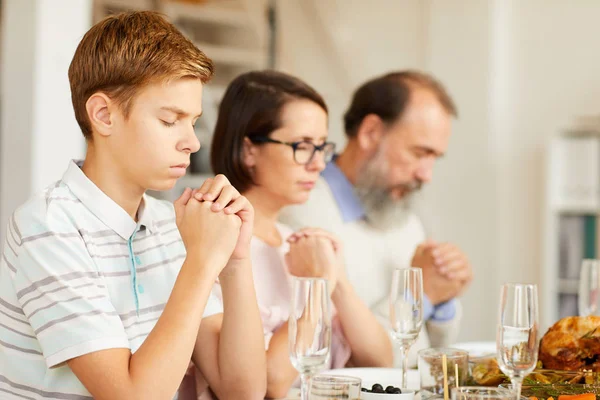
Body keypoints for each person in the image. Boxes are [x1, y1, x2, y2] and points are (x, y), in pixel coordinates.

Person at [0, 11, 266, 400]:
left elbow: (242, 392)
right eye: (170, 120)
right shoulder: (48, 226)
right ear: (104, 115)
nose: (192, 142)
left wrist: (235, 260)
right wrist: (202, 261)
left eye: (193, 121)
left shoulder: (169, 223)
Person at [210, 70, 393, 399]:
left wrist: (335, 281)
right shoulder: (218, 242)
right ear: (248, 149)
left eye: (322, 147)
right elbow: (270, 384)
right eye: (303, 146)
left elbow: (381, 362)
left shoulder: (297, 242)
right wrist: (318, 288)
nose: (319, 164)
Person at [280, 70, 474, 366]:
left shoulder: (404, 215)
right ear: (371, 132)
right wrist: (421, 296)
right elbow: (342, 359)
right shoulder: (303, 213)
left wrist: (443, 296)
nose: (427, 175)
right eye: (420, 153)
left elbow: (425, 356)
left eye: (434, 158)